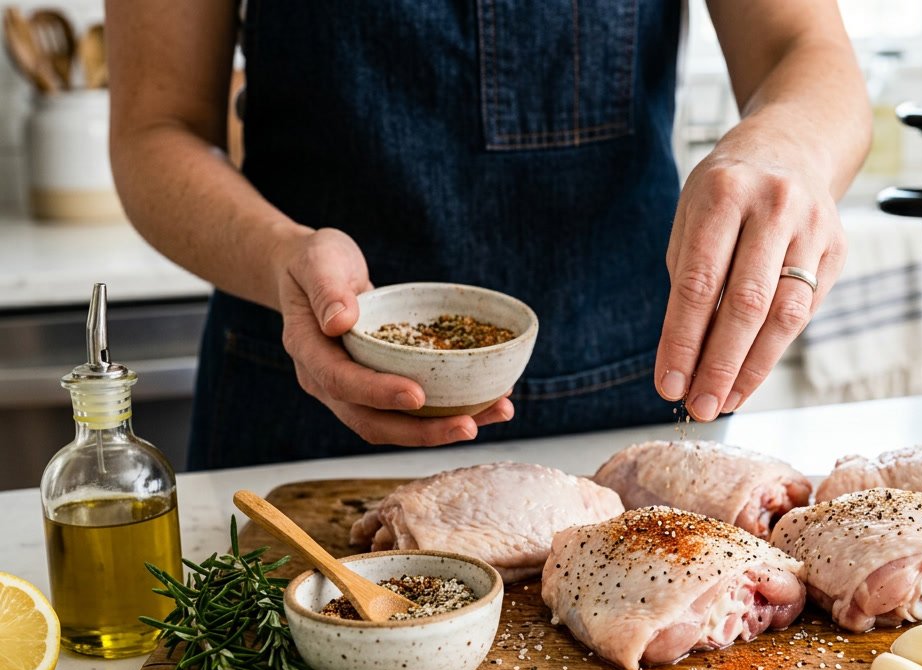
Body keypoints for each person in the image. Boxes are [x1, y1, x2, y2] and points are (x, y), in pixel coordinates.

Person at [106, 1, 869, 470]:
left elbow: (804, 50)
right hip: (298, 406)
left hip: (626, 412)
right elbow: (156, 128)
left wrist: (785, 148)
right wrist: (281, 256)